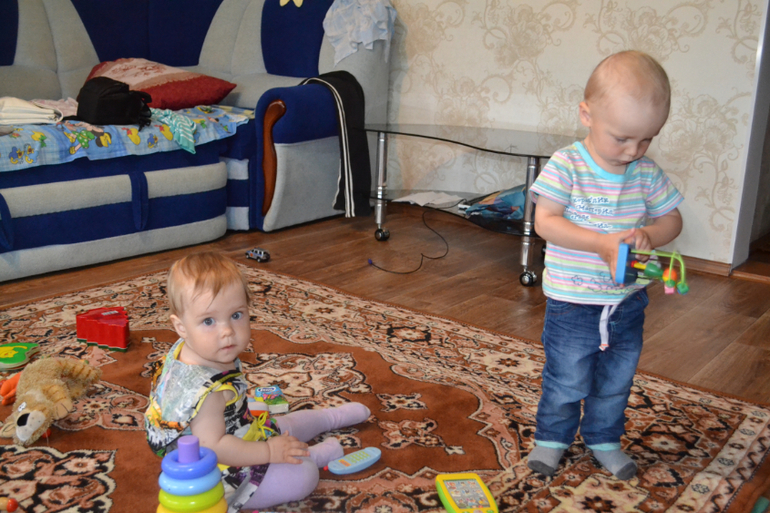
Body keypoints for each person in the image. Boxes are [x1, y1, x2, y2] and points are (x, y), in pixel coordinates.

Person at [526, 50, 684, 480]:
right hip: (573, 302)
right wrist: (600, 243)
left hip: (626, 302)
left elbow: (672, 220)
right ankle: (551, 439)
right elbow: (545, 222)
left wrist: (650, 234)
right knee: (567, 378)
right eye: (622, 138)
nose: (633, 151)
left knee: (616, 380)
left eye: (646, 140)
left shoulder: (646, 173)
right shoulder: (567, 165)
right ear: (587, 115)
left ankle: (604, 439)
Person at [144, 251, 371, 510]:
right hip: (218, 468)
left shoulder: (196, 349)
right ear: (181, 327)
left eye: (236, 315)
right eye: (208, 321)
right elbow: (214, 447)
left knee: (285, 424)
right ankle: (314, 457)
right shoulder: (207, 395)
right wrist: (270, 452)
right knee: (302, 476)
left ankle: (330, 418)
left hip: (237, 432)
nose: (227, 331)